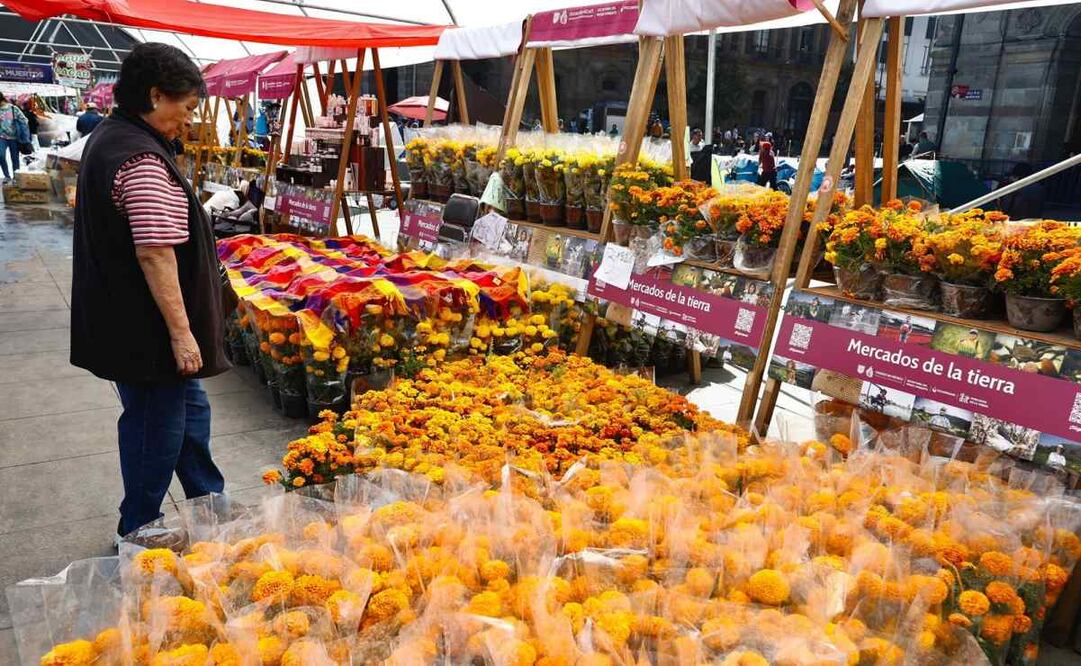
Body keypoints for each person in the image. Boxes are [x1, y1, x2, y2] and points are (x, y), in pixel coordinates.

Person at [71, 42, 231, 541]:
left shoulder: (114, 136)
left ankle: (208, 501)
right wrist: (183, 335)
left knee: (191, 411)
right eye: (186, 108)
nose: (189, 121)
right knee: (152, 428)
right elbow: (156, 252)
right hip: (146, 328)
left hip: (130, 318)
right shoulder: (137, 157)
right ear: (156, 96)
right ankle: (138, 527)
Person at [0, 92, 28, 181]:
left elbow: (24, 120)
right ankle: (7, 176)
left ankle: (16, 177)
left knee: (15, 158)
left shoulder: (13, 108)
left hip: (14, 137)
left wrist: (20, 128)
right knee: (1, 155)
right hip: (1, 137)